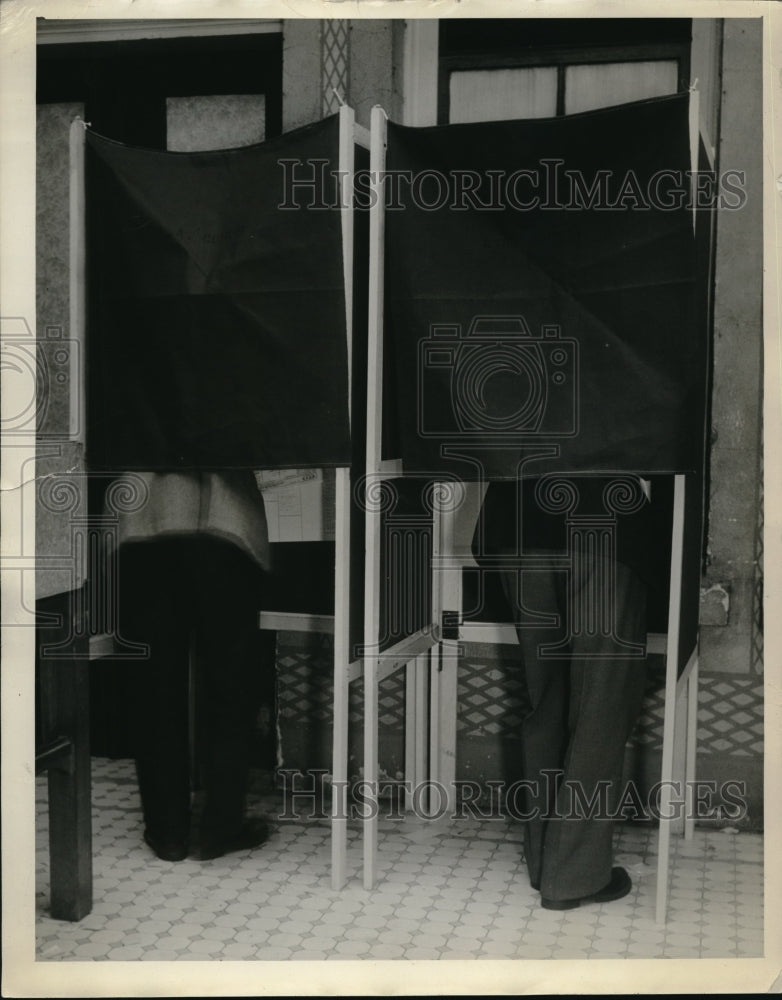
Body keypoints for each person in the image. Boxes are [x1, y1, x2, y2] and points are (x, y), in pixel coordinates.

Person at [473, 472, 669, 909]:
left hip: (518, 519)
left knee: (548, 699)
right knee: (601, 703)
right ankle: (573, 877)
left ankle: (545, 863)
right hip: (603, 520)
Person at [107, 469, 271, 862]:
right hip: (225, 518)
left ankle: (167, 833)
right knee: (231, 683)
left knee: (153, 684)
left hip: (143, 514)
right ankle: (221, 828)